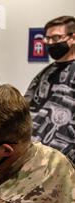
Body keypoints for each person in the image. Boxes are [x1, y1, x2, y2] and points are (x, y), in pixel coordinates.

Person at [25, 15, 75, 163]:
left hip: (64, 161)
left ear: (72, 38)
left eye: (56, 38)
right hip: (35, 156)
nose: (49, 43)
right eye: (47, 38)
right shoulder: (45, 73)